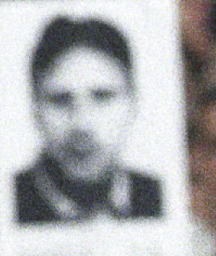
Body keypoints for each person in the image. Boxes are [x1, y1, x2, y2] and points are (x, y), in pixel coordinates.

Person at [16, 16, 163, 224]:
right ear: (35, 107)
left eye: (102, 97)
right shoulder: (7, 202)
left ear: (133, 101)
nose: (81, 125)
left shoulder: (160, 198)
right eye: (60, 100)